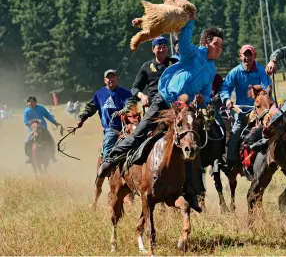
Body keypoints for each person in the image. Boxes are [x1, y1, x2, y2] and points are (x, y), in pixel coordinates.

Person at [99, 11, 224, 212]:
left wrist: (203, 98)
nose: (219, 49)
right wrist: (190, 21)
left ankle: (191, 192)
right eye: (216, 45)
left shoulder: (211, 70)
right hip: (164, 99)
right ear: (205, 43)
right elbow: (183, 39)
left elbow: (206, 93)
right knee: (141, 132)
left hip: (182, 110)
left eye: (221, 46)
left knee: (190, 144)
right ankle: (110, 159)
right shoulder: (193, 53)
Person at [220, 44, 271, 171]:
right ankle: (231, 163)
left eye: (250, 54)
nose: (247, 57)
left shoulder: (261, 71)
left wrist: (263, 94)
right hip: (241, 111)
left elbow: (266, 88)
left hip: (260, 110)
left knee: (272, 128)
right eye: (245, 55)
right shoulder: (235, 72)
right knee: (236, 132)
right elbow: (225, 88)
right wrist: (227, 100)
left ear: (255, 56)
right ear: (240, 56)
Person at [76, 69, 132, 163]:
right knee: (109, 144)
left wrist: (123, 110)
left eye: (113, 77)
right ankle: (106, 165)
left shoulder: (125, 92)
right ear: (104, 80)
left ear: (117, 78)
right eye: (108, 77)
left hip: (127, 125)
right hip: (112, 128)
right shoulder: (99, 94)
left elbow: (131, 103)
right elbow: (90, 108)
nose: (111, 79)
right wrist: (81, 119)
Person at [131, 36, 178, 108]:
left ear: (167, 48)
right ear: (153, 49)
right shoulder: (147, 66)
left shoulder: (175, 63)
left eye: (164, 46)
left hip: (174, 103)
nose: (162, 50)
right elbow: (135, 88)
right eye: (159, 48)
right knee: (145, 120)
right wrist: (142, 96)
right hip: (155, 104)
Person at [23, 97, 61, 163]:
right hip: (32, 130)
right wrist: (31, 123)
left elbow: (48, 115)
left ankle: (52, 155)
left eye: (31, 102)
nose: (30, 103)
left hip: (43, 128)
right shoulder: (26, 111)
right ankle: (30, 157)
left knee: (51, 141)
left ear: (35, 102)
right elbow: (26, 121)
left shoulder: (41, 108)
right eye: (28, 102)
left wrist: (54, 122)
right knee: (26, 142)